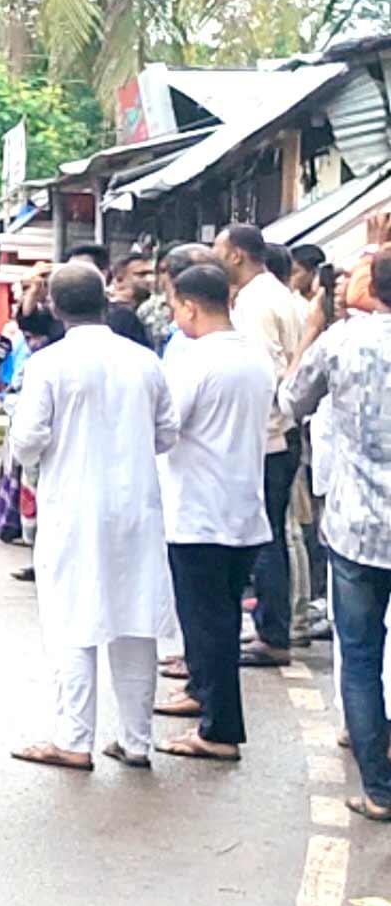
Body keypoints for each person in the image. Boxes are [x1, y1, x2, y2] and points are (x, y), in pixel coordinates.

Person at [8, 263, 179, 773]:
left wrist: (43, 460)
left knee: (71, 620)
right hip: (137, 507)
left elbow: (27, 439)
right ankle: (136, 740)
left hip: (73, 507)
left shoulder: (49, 364)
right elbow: (167, 434)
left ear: (54, 308)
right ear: (106, 302)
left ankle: (73, 740)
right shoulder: (145, 360)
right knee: (134, 620)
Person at [149, 261, 272, 763]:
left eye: (176, 305)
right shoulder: (256, 357)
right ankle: (201, 692)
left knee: (210, 623)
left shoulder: (195, 362)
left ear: (191, 306)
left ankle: (220, 730)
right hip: (244, 507)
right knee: (213, 616)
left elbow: (165, 428)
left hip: (199, 511)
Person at [286, 248, 391, 818]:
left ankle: (379, 788)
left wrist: (310, 331)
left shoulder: (341, 342)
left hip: (357, 525)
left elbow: (291, 399)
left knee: (360, 655)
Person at [223, 223, 314, 667]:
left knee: (266, 538)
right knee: (271, 534)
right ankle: (272, 627)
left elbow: (266, 373)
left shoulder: (258, 303)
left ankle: (273, 632)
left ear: (237, 254)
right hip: (280, 431)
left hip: (269, 436)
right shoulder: (272, 295)